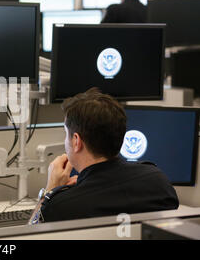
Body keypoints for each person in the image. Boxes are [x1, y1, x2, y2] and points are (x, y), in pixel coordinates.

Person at [29, 88, 179, 224]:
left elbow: (29, 235)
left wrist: (49, 192)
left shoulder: (60, 207)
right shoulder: (158, 182)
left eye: (66, 134)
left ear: (76, 141)